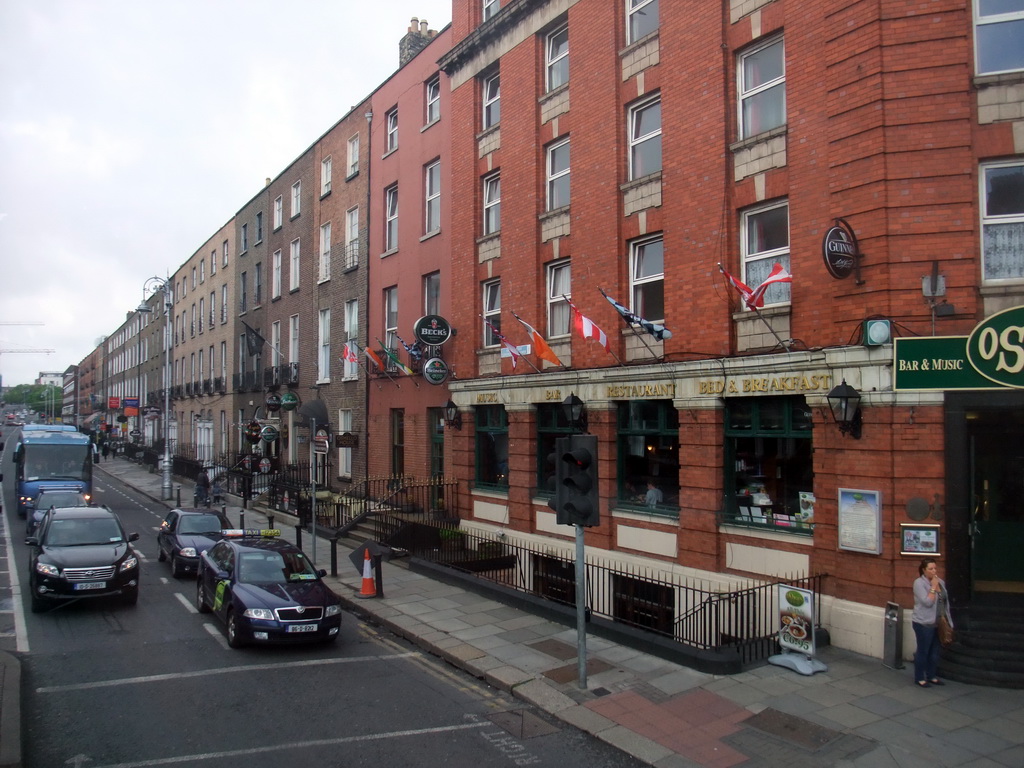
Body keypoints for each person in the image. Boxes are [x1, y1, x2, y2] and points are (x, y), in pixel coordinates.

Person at [911, 557, 952, 688]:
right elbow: (927, 602)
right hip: (923, 623)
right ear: (924, 570)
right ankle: (919, 677)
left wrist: (949, 621)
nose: (934, 571)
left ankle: (932, 675)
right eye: (930, 569)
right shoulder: (919, 583)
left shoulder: (940, 582)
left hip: (938, 622)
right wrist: (933, 587)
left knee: (935, 651)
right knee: (923, 650)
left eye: (935, 568)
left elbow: (945, 602)